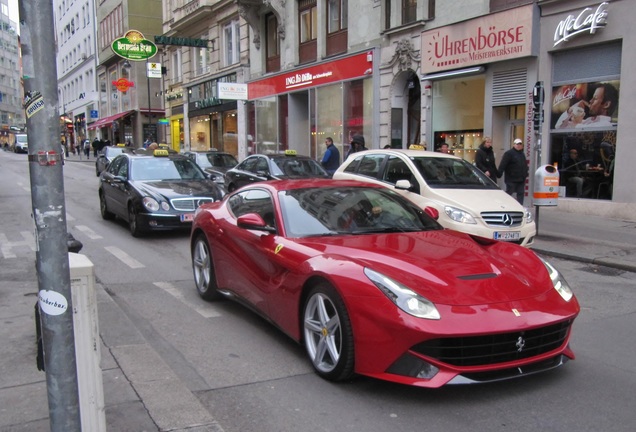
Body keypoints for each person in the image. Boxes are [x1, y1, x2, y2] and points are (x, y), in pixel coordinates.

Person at [497, 138, 528, 205]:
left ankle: (520, 206)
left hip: (521, 178)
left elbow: (524, 165)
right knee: (509, 192)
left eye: (520, 144)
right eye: (517, 144)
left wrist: (525, 174)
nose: (519, 145)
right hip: (511, 178)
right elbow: (503, 164)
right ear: (514, 145)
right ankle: (504, 204)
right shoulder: (508, 153)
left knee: (521, 193)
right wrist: (499, 173)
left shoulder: (522, 154)